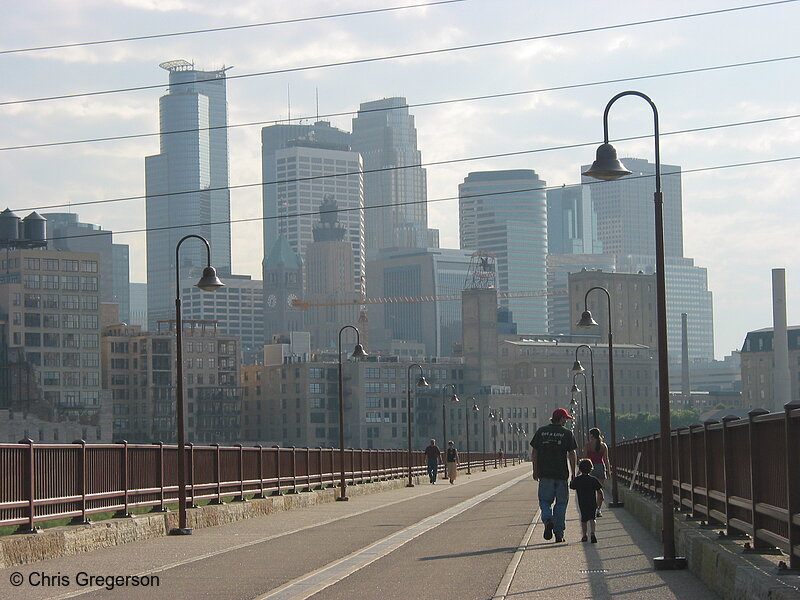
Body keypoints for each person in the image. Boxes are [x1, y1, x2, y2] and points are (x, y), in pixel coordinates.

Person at [530, 408, 578, 543]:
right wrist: (573, 473)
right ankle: (559, 533)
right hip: (561, 474)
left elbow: (535, 452)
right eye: (565, 419)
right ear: (561, 418)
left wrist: (535, 470)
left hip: (545, 474)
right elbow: (572, 454)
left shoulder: (541, 431)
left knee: (544, 501)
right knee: (561, 504)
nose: (566, 421)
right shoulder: (567, 433)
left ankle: (547, 519)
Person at [570, 458, 604, 543]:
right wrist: (601, 498)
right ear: (591, 468)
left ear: (580, 469)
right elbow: (599, 491)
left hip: (582, 503)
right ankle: (592, 533)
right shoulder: (593, 479)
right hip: (592, 503)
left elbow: (572, 486)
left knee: (584, 519)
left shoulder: (578, 480)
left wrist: (574, 476)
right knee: (592, 518)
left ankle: (584, 535)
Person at [583, 427, 611, 517]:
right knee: (599, 490)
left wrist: (579, 472)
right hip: (600, 467)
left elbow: (585, 459)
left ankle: (592, 508)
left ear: (591, 435)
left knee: (590, 490)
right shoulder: (603, 446)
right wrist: (608, 471)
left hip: (590, 468)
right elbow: (606, 459)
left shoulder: (588, 445)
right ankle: (598, 509)